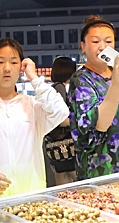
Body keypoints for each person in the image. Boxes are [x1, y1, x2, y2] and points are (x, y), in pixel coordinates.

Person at [0, 38, 69, 203]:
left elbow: (61, 111)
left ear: (21, 67)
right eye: (0, 62)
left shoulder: (32, 106)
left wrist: (33, 76)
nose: (7, 68)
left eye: (14, 62)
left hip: (31, 199)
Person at [69, 15, 119, 180]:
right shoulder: (81, 79)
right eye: (95, 42)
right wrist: (116, 83)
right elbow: (95, 129)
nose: (102, 47)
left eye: (108, 42)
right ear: (83, 46)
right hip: (99, 170)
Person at [44, 56, 77, 185]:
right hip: (66, 145)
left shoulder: (52, 88)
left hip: (55, 145)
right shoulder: (60, 88)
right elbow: (61, 118)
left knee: (62, 184)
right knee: (78, 183)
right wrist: (79, 123)